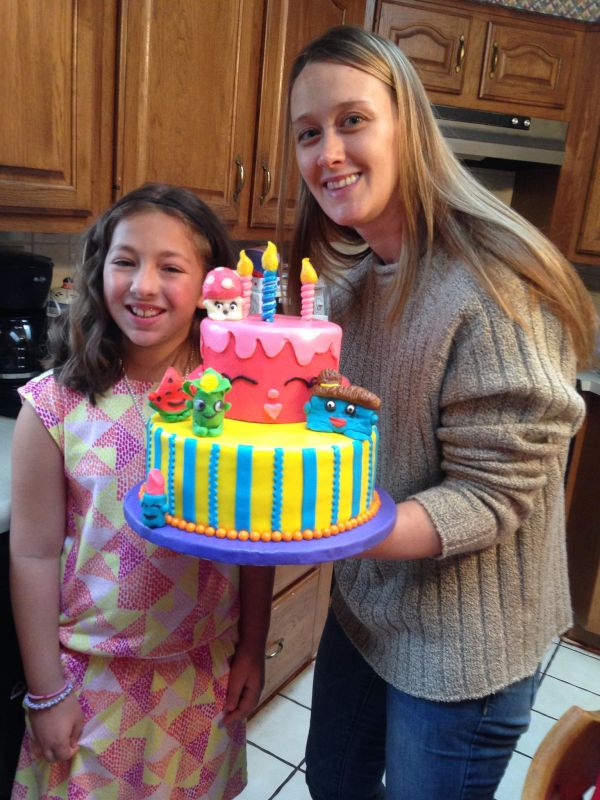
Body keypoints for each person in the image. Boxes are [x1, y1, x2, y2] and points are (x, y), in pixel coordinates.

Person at [282, 25, 598, 800]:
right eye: (308, 132)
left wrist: (332, 525)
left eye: (352, 120)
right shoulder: (359, 282)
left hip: (466, 648)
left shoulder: (494, 290)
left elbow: (490, 497)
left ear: (408, 127)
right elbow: (359, 433)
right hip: (369, 609)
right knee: (334, 784)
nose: (328, 153)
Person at [9, 183, 274, 800]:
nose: (143, 285)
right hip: (89, 678)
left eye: (171, 267)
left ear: (211, 285)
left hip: (201, 674)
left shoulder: (235, 404)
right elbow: (33, 555)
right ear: (100, 269)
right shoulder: (53, 405)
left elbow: (254, 540)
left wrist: (253, 650)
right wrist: (47, 690)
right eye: (125, 261)